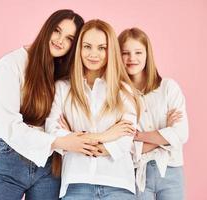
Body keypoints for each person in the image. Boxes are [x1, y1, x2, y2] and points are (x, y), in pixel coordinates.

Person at [0, 9, 99, 200]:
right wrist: (59, 141)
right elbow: (7, 125)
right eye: (57, 31)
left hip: (50, 164)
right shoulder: (10, 65)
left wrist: (65, 134)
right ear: (47, 28)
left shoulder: (62, 73)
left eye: (69, 38)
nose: (60, 40)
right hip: (10, 157)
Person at [45, 19, 141, 200]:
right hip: (76, 184)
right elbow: (53, 132)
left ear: (110, 50)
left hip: (118, 184)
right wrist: (106, 136)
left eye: (102, 48)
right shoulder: (63, 88)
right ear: (79, 49)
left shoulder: (123, 90)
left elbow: (124, 140)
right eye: (87, 46)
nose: (93, 54)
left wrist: (74, 139)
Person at [118, 27, 189, 200]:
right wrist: (165, 135)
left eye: (138, 52)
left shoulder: (168, 87)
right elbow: (125, 147)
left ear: (147, 54)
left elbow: (181, 134)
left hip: (170, 170)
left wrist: (139, 136)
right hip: (137, 173)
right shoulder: (118, 94)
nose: (132, 58)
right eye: (125, 52)